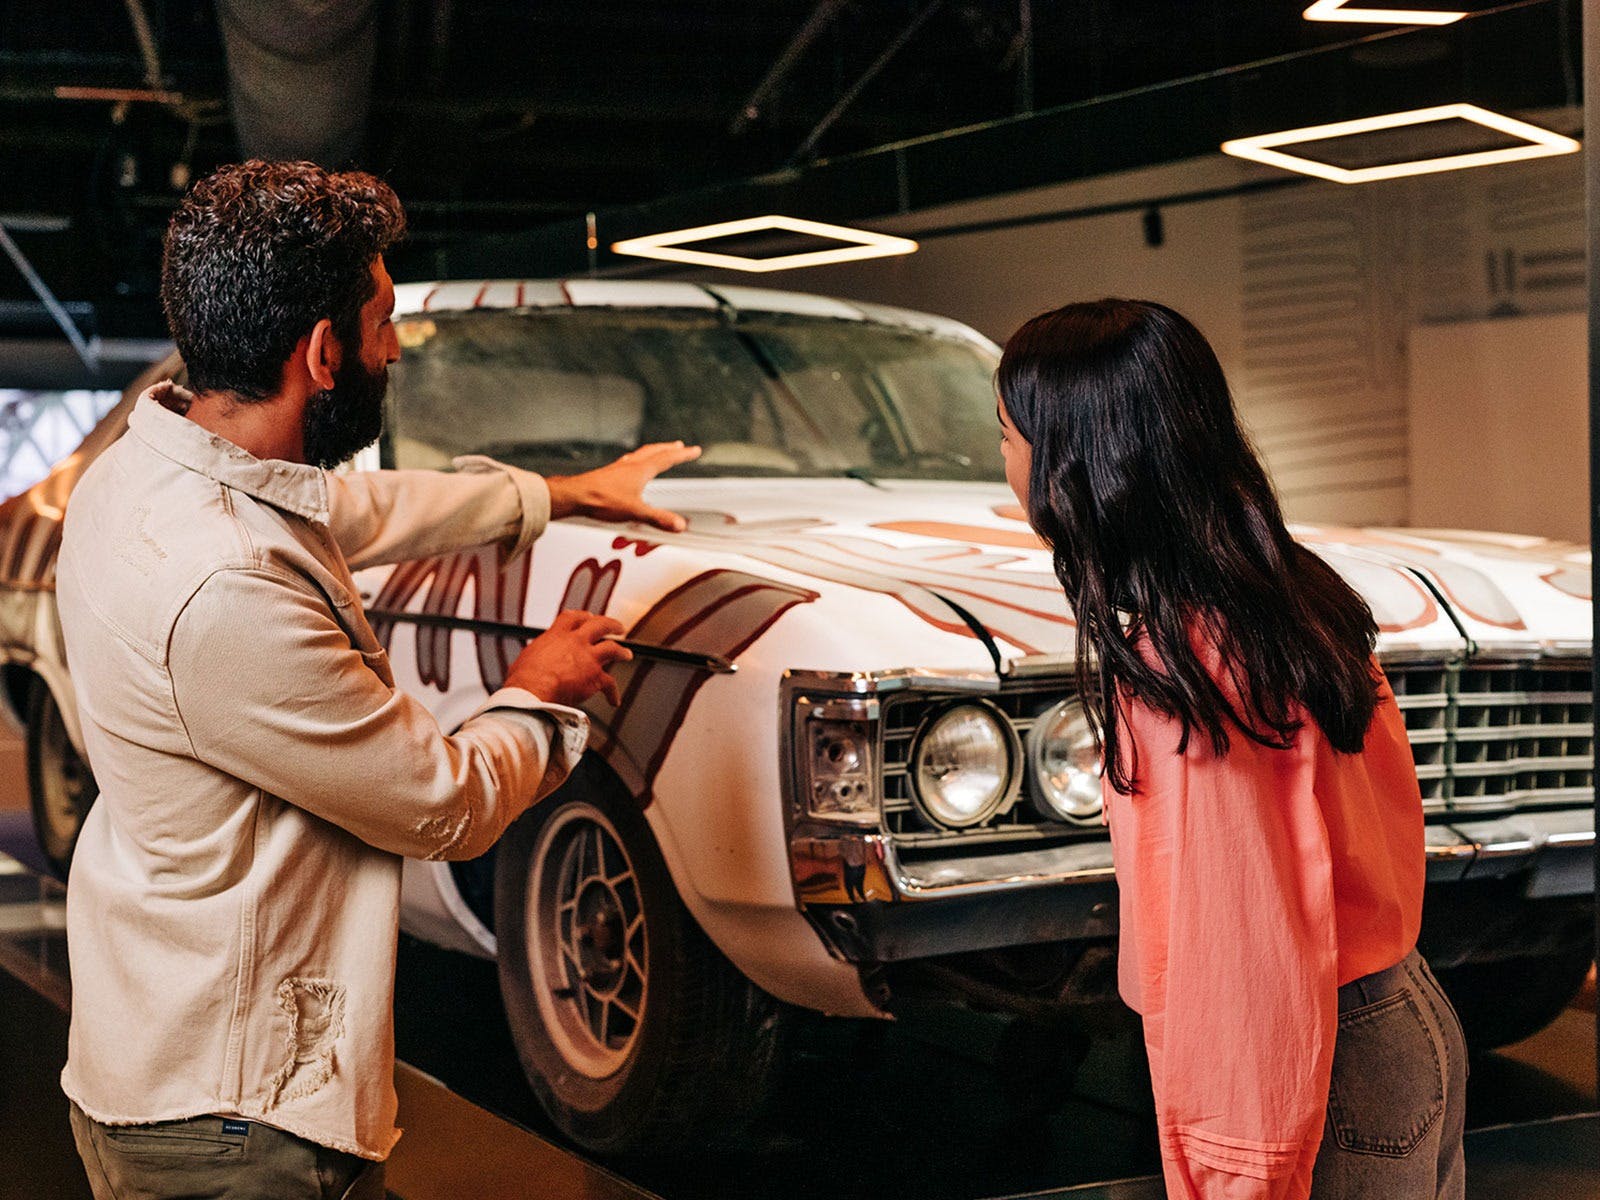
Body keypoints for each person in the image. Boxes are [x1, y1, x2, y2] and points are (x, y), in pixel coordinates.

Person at [55, 159, 699, 1199]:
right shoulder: (228, 587)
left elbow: (340, 512)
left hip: (162, 1047)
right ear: (323, 352)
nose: (393, 347)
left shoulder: (143, 475)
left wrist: (559, 492)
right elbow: (443, 805)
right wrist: (540, 691)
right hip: (237, 1122)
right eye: (385, 321)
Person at [995, 299, 1467, 1200]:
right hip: (1397, 1016)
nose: (1005, 464)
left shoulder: (1186, 683)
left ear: (1078, 461)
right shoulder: (1284, 597)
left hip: (1313, 1064)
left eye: (1011, 435)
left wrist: (1232, 1173)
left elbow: (1242, 957)